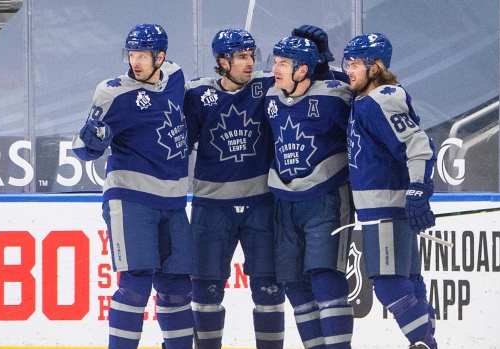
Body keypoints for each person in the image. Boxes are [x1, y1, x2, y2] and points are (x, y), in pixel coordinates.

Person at [71, 24, 194, 349]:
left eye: (143, 55)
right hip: (131, 200)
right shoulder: (113, 92)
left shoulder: (176, 76)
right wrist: (91, 140)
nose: (135, 61)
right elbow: (83, 148)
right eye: (132, 54)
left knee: (178, 286)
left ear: (161, 56)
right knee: (136, 283)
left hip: (174, 202)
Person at [183, 29, 285, 349]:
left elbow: (309, 76)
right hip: (211, 208)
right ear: (222, 61)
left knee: (269, 290)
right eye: (242, 56)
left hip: (261, 206)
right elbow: (176, 142)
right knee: (205, 290)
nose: (250, 63)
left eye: (252, 55)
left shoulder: (266, 86)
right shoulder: (197, 95)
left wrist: (321, 60)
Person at [343, 33, 438, 349]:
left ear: (376, 66)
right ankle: (425, 342)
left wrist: (418, 189)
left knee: (387, 285)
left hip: (386, 209)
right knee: (408, 282)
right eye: (348, 63)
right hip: (384, 208)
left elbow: (418, 144)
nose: (348, 70)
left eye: (355, 63)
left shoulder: (381, 99)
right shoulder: (367, 98)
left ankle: (423, 343)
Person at [265, 36, 354, 349]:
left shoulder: (334, 97)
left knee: (325, 278)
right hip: (284, 204)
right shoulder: (271, 97)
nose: (274, 69)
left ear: (302, 70)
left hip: (326, 200)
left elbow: (366, 110)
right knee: (294, 284)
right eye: (274, 61)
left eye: (282, 64)